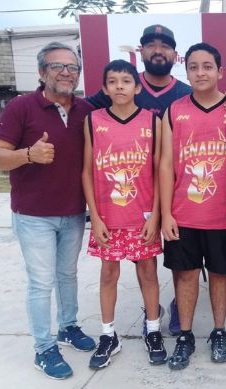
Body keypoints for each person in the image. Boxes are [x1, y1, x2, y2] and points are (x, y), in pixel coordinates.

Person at [86, 24, 226, 337]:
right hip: (143, 200)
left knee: (183, 270)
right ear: (141, 51)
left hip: (182, 201)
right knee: (171, 269)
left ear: (174, 54)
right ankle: (157, 320)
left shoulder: (188, 93)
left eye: (165, 45)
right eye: (151, 45)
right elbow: (84, 109)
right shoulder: (127, 84)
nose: (158, 50)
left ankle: (183, 320)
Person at [0, 42, 96, 380]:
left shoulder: (85, 110)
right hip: (33, 215)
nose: (66, 72)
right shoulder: (21, 107)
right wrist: (28, 155)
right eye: (57, 66)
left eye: (72, 67)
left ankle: (68, 327)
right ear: (41, 72)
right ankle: (43, 348)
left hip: (73, 212)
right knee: (41, 283)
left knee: (68, 275)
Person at [159, 43, 226, 370]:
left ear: (220, 71)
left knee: (220, 274)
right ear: (186, 72)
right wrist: (166, 213)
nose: (200, 73)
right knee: (186, 276)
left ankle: (219, 331)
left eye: (207, 66)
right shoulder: (173, 111)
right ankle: (185, 335)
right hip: (184, 213)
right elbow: (165, 165)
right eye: (193, 67)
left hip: (223, 213)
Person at [82, 60, 168, 369]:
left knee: (148, 272)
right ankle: (108, 335)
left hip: (142, 216)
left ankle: (153, 330)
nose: (119, 86)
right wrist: (95, 217)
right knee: (108, 274)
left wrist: (155, 215)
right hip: (108, 217)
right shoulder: (93, 120)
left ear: (137, 86)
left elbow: (160, 172)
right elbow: (87, 172)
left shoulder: (153, 121)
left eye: (126, 80)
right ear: (104, 88)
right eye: (113, 81)